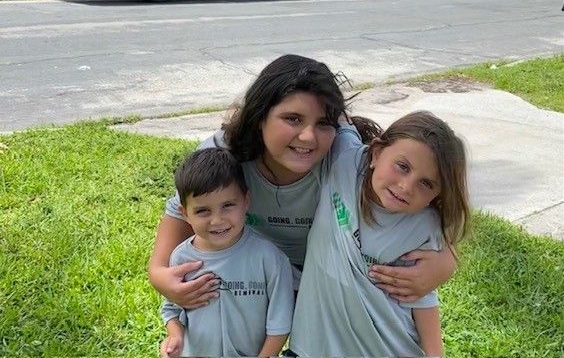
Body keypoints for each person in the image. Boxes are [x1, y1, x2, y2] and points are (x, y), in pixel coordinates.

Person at [148, 55, 457, 309]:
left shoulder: (343, 158)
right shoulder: (222, 155)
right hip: (247, 280)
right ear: (259, 116)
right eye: (293, 119)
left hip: (323, 289)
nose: (308, 137)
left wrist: (446, 263)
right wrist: (160, 275)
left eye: (323, 123)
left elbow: (420, 198)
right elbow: (180, 211)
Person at [289, 111, 471, 357]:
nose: (406, 186)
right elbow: (328, 101)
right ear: (376, 153)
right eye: (403, 166)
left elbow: (422, 296)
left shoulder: (424, 226)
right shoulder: (344, 160)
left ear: (438, 194)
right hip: (311, 348)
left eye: (426, 183)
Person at [160, 148, 294, 358]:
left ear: (246, 201)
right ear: (185, 213)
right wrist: (175, 337)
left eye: (228, 205)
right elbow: (172, 309)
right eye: (202, 210)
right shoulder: (181, 258)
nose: (217, 220)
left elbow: (280, 323)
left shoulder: (270, 259)